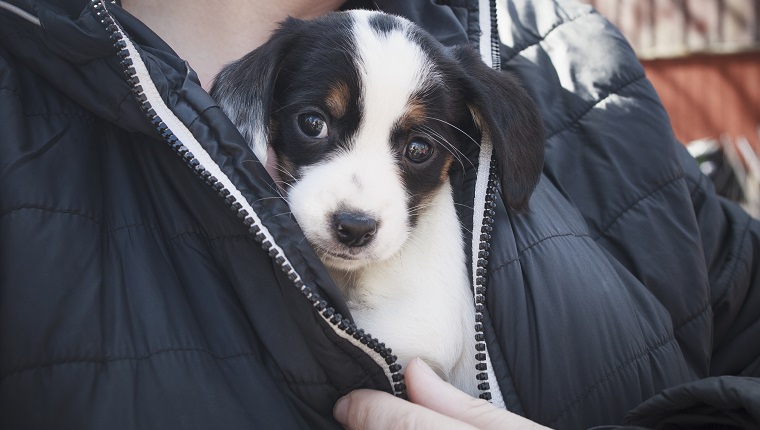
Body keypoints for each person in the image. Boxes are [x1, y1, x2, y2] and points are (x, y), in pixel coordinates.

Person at [1, 0, 758, 429]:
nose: (360, 206)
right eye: (314, 127)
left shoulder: (565, 54)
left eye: (417, 149)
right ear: (252, 99)